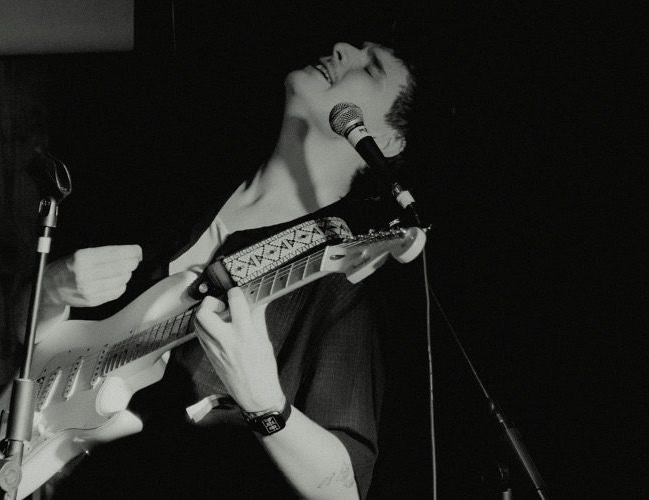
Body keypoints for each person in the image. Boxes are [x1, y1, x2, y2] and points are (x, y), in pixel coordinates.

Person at [37, 41, 419, 499]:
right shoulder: (178, 185)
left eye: (370, 68)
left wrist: (265, 403)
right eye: (352, 46)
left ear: (389, 140)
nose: (341, 49)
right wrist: (49, 291)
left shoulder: (338, 277)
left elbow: (345, 490)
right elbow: (44, 345)